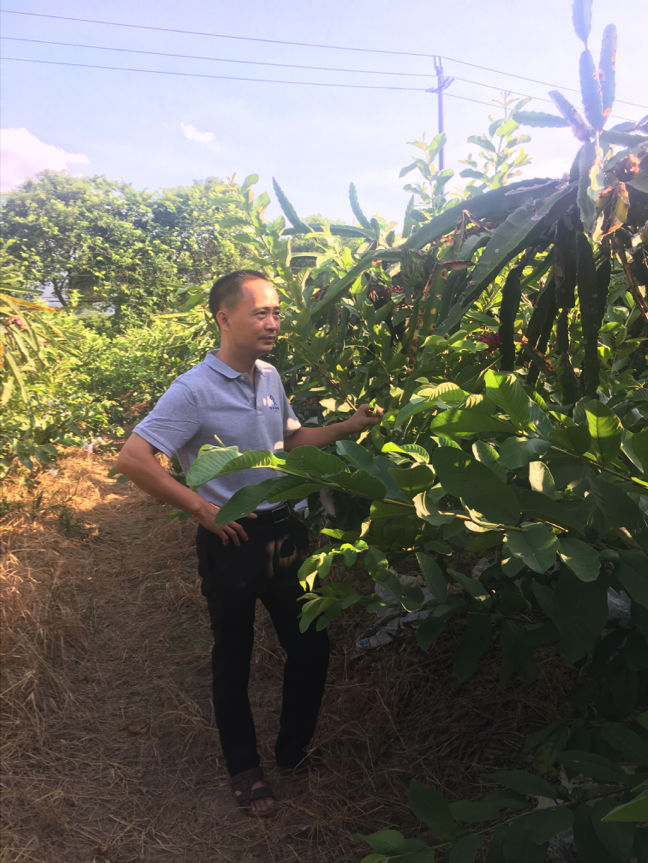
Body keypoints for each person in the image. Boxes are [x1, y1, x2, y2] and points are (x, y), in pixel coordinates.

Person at [115, 270, 381, 816]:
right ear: (224, 318)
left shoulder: (270, 376)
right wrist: (201, 508)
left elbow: (290, 440)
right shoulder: (193, 390)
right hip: (231, 539)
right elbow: (133, 459)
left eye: (277, 312)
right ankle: (244, 769)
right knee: (232, 657)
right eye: (260, 312)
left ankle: (292, 752)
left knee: (311, 646)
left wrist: (349, 426)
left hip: (284, 534)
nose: (272, 322)